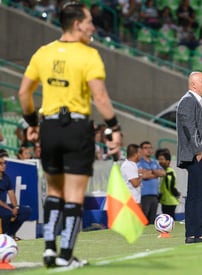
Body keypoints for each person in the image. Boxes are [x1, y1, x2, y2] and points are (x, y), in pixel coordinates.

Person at [18, 2, 122, 268]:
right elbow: (100, 96)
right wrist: (114, 127)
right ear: (77, 24)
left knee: (54, 192)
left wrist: (32, 122)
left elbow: (23, 94)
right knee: (74, 195)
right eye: (89, 22)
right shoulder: (88, 55)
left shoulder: (43, 53)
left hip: (49, 128)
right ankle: (66, 254)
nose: (92, 27)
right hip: (76, 129)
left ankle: (50, 250)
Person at [176, 71, 202, 243]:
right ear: (193, 84)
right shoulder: (188, 101)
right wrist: (198, 150)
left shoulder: (193, 101)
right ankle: (198, 233)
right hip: (196, 154)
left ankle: (192, 234)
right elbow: (189, 127)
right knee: (200, 194)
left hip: (198, 153)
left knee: (195, 194)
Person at [0, 155, 32, 240]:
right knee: (8, 213)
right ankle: (4, 236)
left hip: (3, 206)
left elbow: (11, 194)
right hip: (2, 206)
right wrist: (11, 210)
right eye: (1, 163)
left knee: (26, 211)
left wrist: (16, 207)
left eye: (4, 163)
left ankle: (10, 234)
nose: (4, 165)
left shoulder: (6, 177)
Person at [137, 141, 165, 224]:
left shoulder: (154, 162)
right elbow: (143, 176)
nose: (148, 150)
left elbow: (163, 173)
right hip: (144, 195)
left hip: (154, 195)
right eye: (146, 148)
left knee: (152, 220)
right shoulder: (139, 162)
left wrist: (150, 171)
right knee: (143, 220)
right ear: (141, 150)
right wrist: (156, 173)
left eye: (150, 148)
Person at [157, 149, 180, 220]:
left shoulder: (169, 172)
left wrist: (176, 194)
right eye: (159, 159)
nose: (160, 161)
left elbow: (171, 186)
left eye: (162, 159)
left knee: (170, 219)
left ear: (168, 161)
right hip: (165, 200)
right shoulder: (164, 171)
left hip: (170, 201)